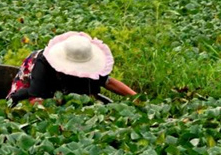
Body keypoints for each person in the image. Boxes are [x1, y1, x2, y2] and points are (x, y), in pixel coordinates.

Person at [7, 31, 137, 103]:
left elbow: (108, 82)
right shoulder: (43, 64)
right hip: (32, 93)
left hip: (65, 91)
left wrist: (137, 98)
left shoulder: (86, 65)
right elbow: (36, 99)